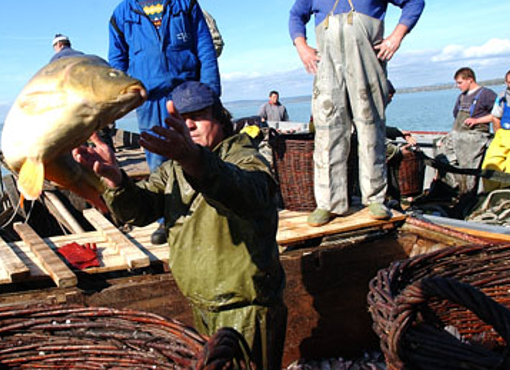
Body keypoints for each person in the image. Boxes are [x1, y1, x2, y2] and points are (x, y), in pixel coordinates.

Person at [73, 81, 286, 370]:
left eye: (198, 116)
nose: (190, 126)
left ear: (219, 117)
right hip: (200, 306)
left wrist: (194, 160)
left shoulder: (244, 157)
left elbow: (250, 193)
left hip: (246, 310)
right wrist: (116, 180)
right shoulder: (171, 170)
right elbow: (140, 209)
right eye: (182, 120)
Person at [289, 0, 425, 226]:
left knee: (371, 128)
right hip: (328, 67)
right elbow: (296, 15)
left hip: (367, 63)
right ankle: (328, 203)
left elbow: (414, 2)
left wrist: (396, 37)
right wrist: (302, 46)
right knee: (327, 132)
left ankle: (374, 198)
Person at [109, 0, 220, 244]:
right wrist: (121, 100)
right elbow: (117, 62)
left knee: (199, 153)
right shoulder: (121, 14)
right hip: (149, 101)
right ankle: (166, 221)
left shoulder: (186, 4)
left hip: (187, 93)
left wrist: (210, 93)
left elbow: (205, 48)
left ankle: (211, 213)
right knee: (158, 161)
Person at [432, 67, 497, 194]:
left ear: (470, 80)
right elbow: (457, 117)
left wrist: (477, 120)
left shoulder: (486, 94)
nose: (458, 86)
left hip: (475, 137)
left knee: (468, 168)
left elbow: (497, 115)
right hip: (457, 135)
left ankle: (467, 194)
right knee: (442, 158)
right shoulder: (461, 97)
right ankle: (453, 189)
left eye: (460, 82)